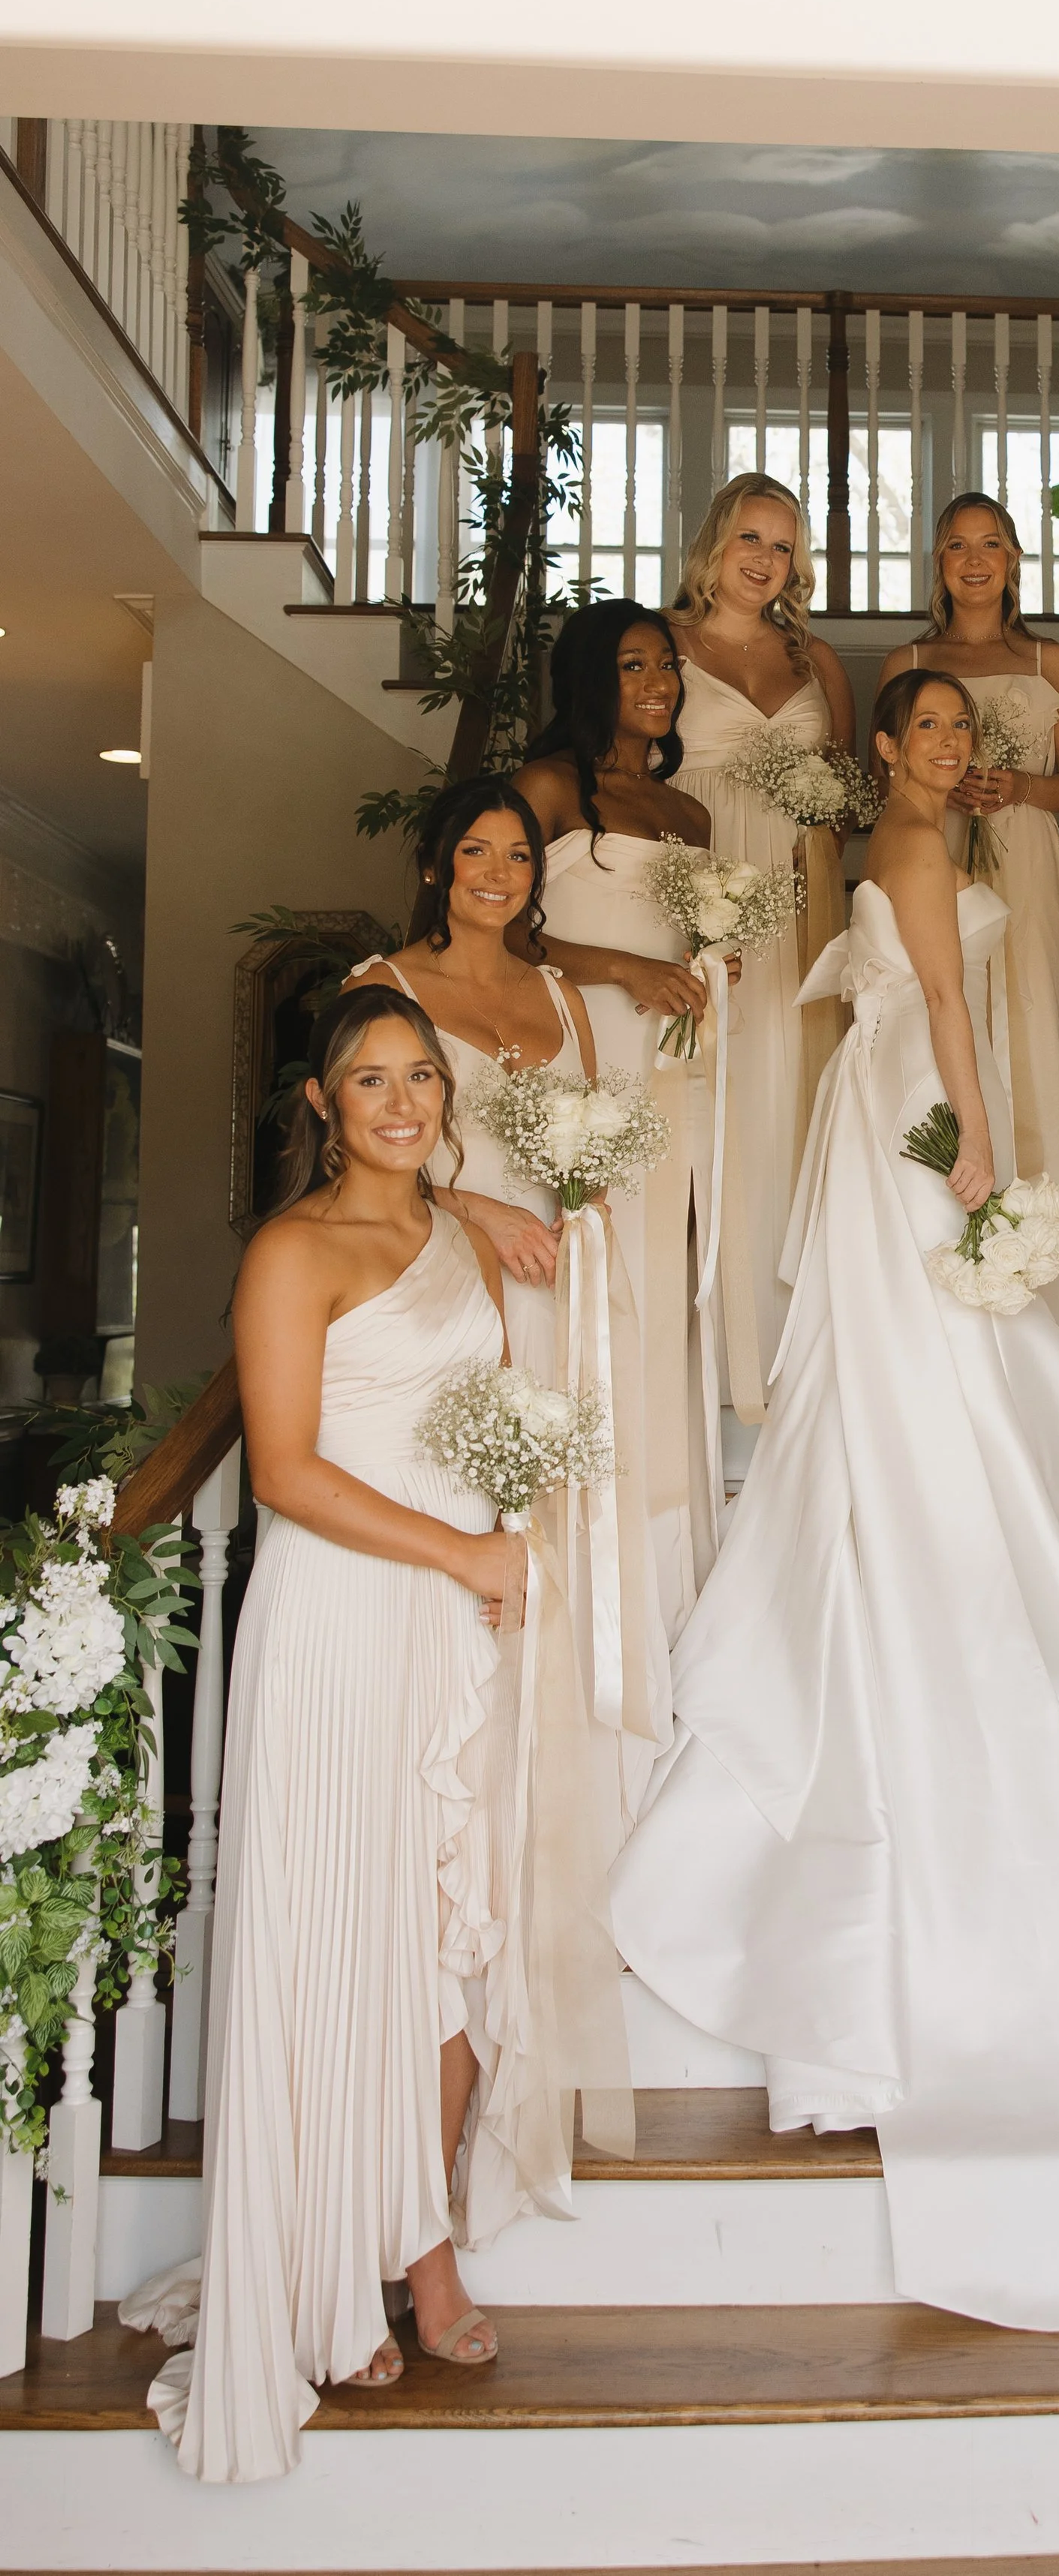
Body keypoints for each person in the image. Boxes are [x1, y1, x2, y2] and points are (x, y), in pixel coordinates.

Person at [610, 667, 1059, 2353]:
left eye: (949, 735)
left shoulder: (914, 828)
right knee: (938, 1357)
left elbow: (904, 994)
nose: (937, 751)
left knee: (933, 1362)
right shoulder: (914, 847)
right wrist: (991, 1146)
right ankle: (933, 1535)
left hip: (892, 1115)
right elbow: (934, 999)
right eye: (918, 732)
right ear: (885, 749)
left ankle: (931, 1516)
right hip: (925, 1118)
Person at [151, 989, 516, 2481]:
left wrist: (508, 1530)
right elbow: (288, 1471)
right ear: (320, 1099)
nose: (400, 1100)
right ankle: (317, 2276)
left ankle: (422, 2247)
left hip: (446, 1618)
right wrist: (463, 1550)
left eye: (420, 1075)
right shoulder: (288, 1253)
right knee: (338, 1938)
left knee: (443, 1932)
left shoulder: (470, 1236)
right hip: (336, 1623)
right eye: (370, 1079)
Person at [511, 602, 729, 1634]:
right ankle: (577, 1536)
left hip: (674, 1070)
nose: (658, 681)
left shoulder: (688, 815)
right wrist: (623, 969)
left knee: (665, 1275)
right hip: (582, 1053)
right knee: (588, 1269)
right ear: (591, 677)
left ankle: (662, 1541)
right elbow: (491, 928)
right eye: (633, 664)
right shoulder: (550, 789)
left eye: (667, 665)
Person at [879, 492, 1059, 1336]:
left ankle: (1033, 1271)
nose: (974, 559)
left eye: (991, 544)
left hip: (1027, 864)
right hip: (941, 849)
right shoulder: (906, 659)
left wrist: (1016, 788)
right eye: (955, 544)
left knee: (1024, 1032)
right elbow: (888, 772)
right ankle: (945, 1237)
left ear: (1011, 560)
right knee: (951, 1011)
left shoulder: (1049, 659)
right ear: (937, 562)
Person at [666, 473, 857, 1393]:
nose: (764, 559)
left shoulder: (815, 660)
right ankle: (707, 1338)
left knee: (794, 1084)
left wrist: (816, 818)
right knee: (709, 1080)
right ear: (715, 542)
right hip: (697, 876)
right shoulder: (664, 644)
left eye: (782, 545)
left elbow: (854, 791)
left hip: (800, 888)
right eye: (749, 538)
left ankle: (790, 1343)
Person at [344, 777, 597, 1380]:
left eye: (519, 857)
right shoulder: (380, 990)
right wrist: (477, 1211)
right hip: (437, 1266)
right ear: (435, 865)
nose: (499, 873)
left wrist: (592, 1212)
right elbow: (343, 1159)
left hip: (559, 1279)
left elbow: (594, 1145)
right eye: (475, 851)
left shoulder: (561, 994)